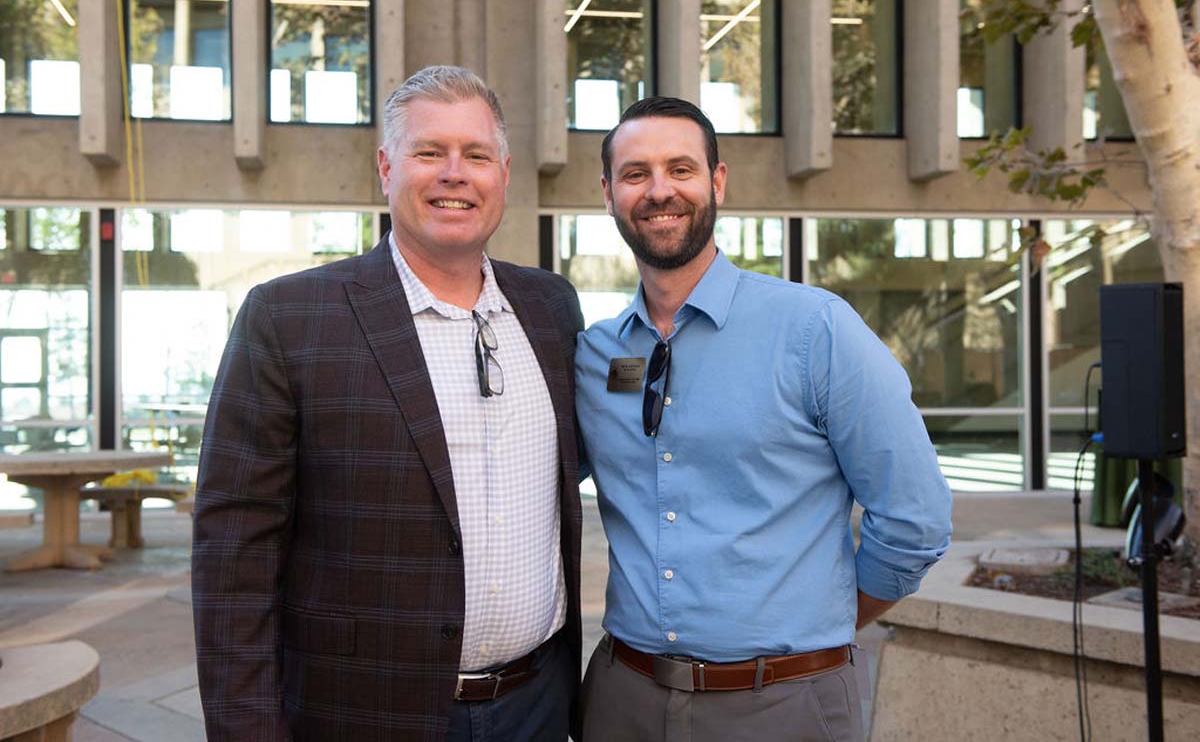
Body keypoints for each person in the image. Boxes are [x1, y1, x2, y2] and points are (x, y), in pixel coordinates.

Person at [192, 66, 585, 742]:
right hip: (363, 714)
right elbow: (234, 555)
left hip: (537, 708)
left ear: (505, 173)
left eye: (476, 155)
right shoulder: (289, 318)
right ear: (386, 166)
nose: (455, 174)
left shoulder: (551, 308)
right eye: (430, 152)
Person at [574, 96, 953, 741]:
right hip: (622, 699)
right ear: (608, 193)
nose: (659, 190)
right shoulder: (595, 353)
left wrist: (818, 627)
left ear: (717, 181)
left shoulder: (815, 329)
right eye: (636, 174)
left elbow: (915, 519)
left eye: (681, 169)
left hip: (785, 702)